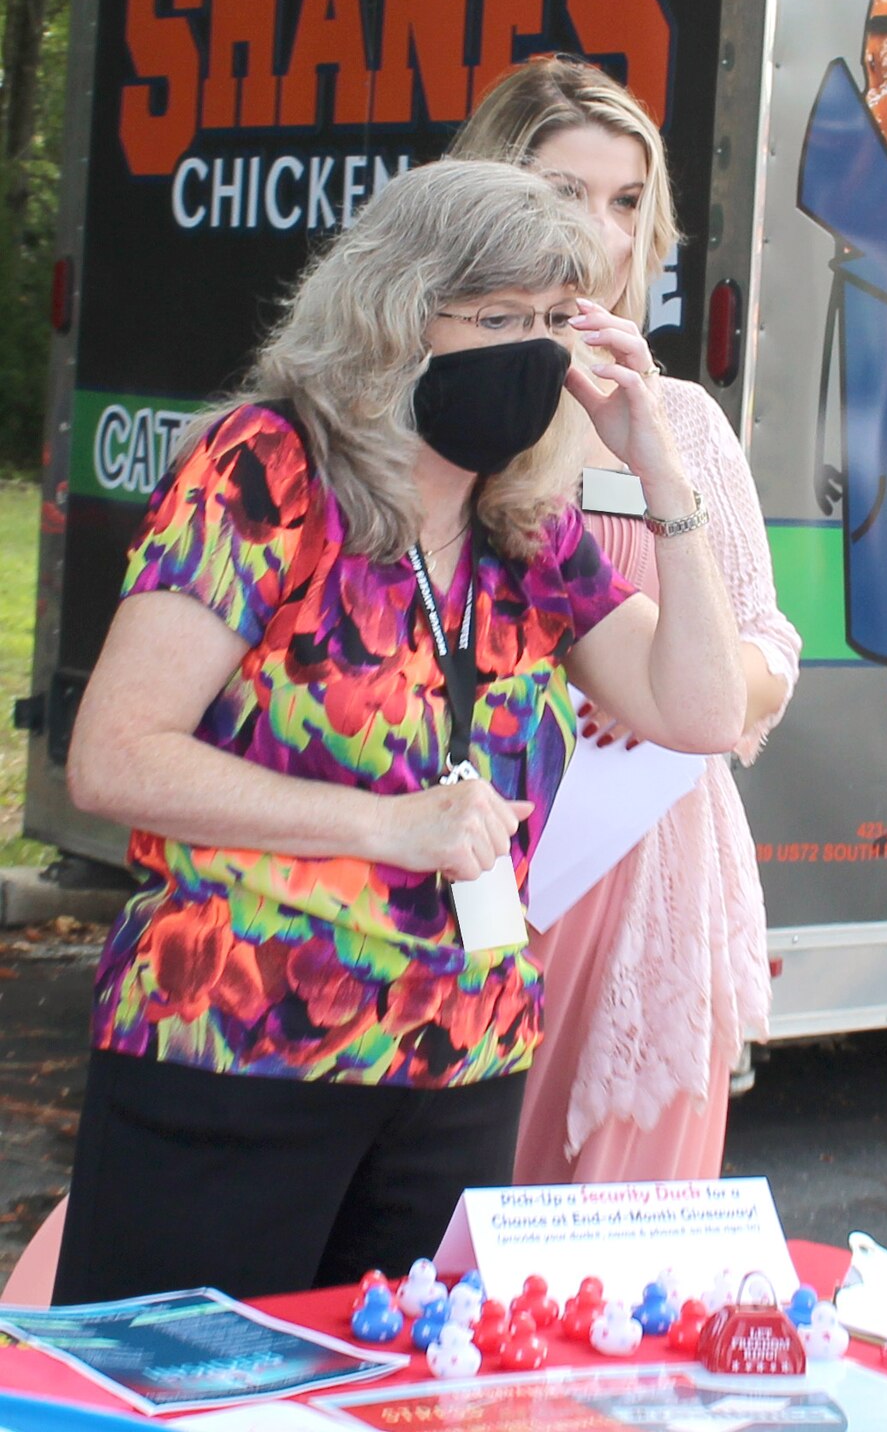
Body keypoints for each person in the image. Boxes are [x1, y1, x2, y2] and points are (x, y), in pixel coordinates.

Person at [56, 160, 745, 1302]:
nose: (531, 351)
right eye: (498, 317)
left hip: (461, 1062)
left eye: (550, 323)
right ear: (396, 308)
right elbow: (114, 755)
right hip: (242, 1045)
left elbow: (701, 710)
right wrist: (386, 824)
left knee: (395, 1400)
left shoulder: (525, 517)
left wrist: (659, 466)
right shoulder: (269, 469)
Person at [451, 57, 799, 1183]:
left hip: (650, 865)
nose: (601, 233)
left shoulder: (683, 420)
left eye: (626, 199)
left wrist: (659, 671)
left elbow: (764, 657)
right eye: (564, 193)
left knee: (614, 1233)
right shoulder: (447, 403)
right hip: (481, 855)